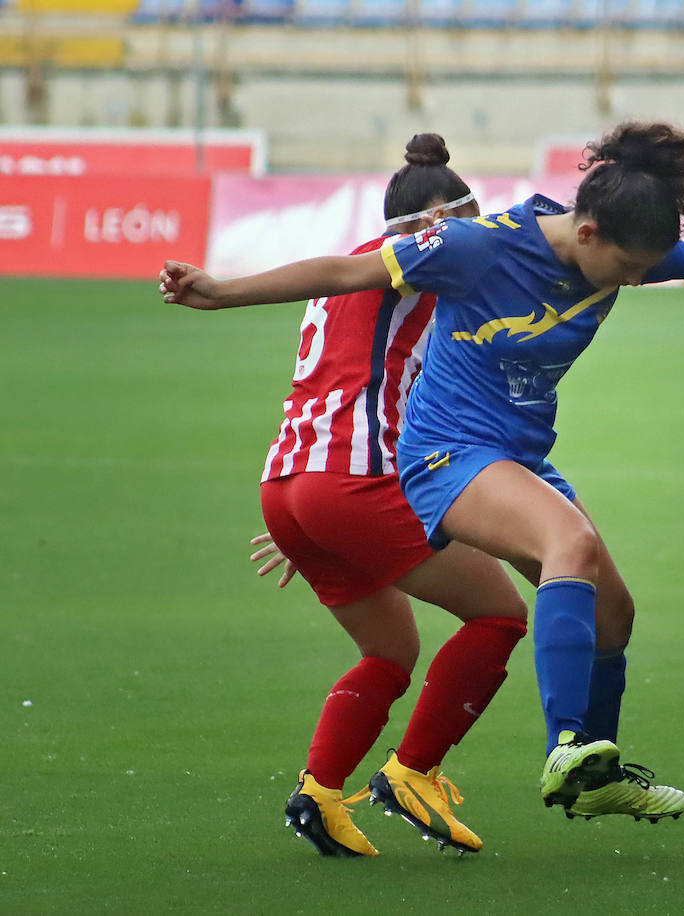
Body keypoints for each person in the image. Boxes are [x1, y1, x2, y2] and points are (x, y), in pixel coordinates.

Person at [161, 120, 684, 822]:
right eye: (625, 268)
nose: (629, 281)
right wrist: (220, 292)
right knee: (572, 548)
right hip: (444, 452)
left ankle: (599, 778)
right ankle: (566, 746)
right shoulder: (477, 247)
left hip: (517, 455)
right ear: (587, 230)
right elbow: (344, 270)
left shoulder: (619, 245)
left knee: (613, 615)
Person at [179, 133, 532, 858]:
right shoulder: (408, 264)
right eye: (447, 222)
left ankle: (317, 793)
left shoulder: (373, 268)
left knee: (390, 649)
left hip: (289, 486)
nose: (456, 236)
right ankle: (413, 773)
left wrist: (311, 510)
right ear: (418, 226)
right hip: (351, 480)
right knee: (499, 614)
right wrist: (221, 292)